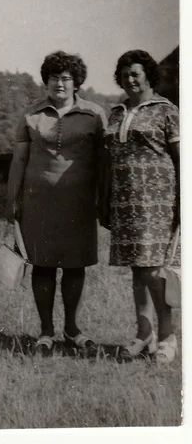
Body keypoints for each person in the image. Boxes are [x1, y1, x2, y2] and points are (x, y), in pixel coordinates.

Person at [7, 51, 107, 354]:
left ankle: (73, 329)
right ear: (46, 81)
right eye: (54, 77)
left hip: (79, 204)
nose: (59, 83)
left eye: (66, 78)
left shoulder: (94, 115)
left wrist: (105, 199)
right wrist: (13, 200)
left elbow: (104, 163)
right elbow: (19, 160)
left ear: (76, 82)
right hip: (39, 203)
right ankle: (46, 332)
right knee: (43, 266)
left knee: (76, 267)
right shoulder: (31, 114)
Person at [102, 50, 180, 364]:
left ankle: (166, 337)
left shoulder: (166, 111)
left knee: (153, 271)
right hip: (124, 201)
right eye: (124, 74)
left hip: (156, 203)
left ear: (148, 75)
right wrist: (105, 200)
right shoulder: (116, 112)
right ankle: (143, 333)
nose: (129, 79)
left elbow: (181, 158)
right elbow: (109, 161)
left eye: (135, 73)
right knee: (137, 270)